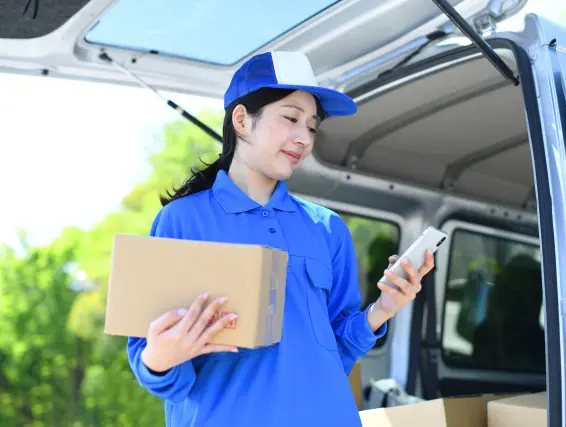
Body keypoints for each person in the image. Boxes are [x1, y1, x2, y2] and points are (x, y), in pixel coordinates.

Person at [126, 51, 434, 427]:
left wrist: (383, 309)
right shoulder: (182, 221)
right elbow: (156, 367)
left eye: (312, 127)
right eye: (290, 118)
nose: (304, 138)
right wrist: (161, 357)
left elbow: (337, 353)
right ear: (242, 120)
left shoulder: (328, 228)